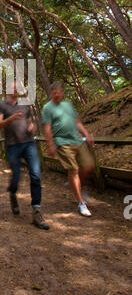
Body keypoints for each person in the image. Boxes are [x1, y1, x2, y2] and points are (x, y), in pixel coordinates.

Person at [0, 81, 49, 230]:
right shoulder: (1, 105)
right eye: (13, 87)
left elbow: (30, 121)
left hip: (28, 143)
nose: (16, 89)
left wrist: (32, 126)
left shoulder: (25, 104)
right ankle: (12, 193)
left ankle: (36, 211)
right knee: (16, 176)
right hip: (12, 146)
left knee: (36, 175)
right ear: (6, 89)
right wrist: (10, 119)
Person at [42, 82, 95, 217]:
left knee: (88, 165)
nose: (57, 94)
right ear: (51, 93)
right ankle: (80, 202)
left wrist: (86, 134)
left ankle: (75, 185)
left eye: (59, 91)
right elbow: (47, 128)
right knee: (74, 170)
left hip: (76, 139)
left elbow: (77, 122)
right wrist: (50, 144)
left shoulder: (68, 105)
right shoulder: (47, 108)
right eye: (54, 92)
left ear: (62, 92)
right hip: (62, 142)